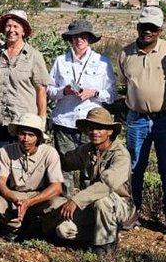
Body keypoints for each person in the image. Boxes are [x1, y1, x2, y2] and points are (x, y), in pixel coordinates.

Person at [114, 6, 166, 233]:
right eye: (144, 27)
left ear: (160, 29)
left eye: (153, 28)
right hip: (137, 119)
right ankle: (132, 213)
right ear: (137, 27)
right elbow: (124, 86)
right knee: (135, 168)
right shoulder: (125, 54)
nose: (148, 31)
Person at [44, 108, 131, 254]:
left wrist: (76, 200)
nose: (94, 132)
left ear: (110, 131)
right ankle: (99, 232)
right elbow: (65, 162)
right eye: (91, 128)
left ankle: (104, 245)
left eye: (99, 128)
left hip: (120, 205)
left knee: (102, 200)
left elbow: (106, 185)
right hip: (92, 204)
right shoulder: (87, 150)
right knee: (64, 231)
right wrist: (43, 153)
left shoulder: (121, 155)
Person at [46, 19, 115, 175]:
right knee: (64, 169)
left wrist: (94, 93)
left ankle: (88, 200)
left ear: (89, 38)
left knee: (90, 170)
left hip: (91, 124)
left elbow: (111, 95)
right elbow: (49, 91)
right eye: (75, 36)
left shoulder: (102, 62)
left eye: (83, 36)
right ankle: (65, 199)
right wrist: (64, 91)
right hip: (64, 121)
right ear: (70, 39)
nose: (79, 40)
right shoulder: (60, 61)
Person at [0, 113, 64, 241]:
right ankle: (15, 228)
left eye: (31, 135)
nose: (26, 139)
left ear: (38, 137)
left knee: (59, 205)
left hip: (39, 195)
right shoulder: (5, 151)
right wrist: (15, 200)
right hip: (15, 194)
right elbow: (1, 183)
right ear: (17, 134)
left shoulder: (49, 152)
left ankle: (44, 230)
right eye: (22, 134)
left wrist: (29, 202)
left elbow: (57, 187)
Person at [0, 10, 48, 146]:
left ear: (23, 31)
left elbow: (41, 90)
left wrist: (42, 120)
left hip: (23, 122)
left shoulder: (34, 56)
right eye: (8, 26)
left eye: (16, 26)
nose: (11, 30)